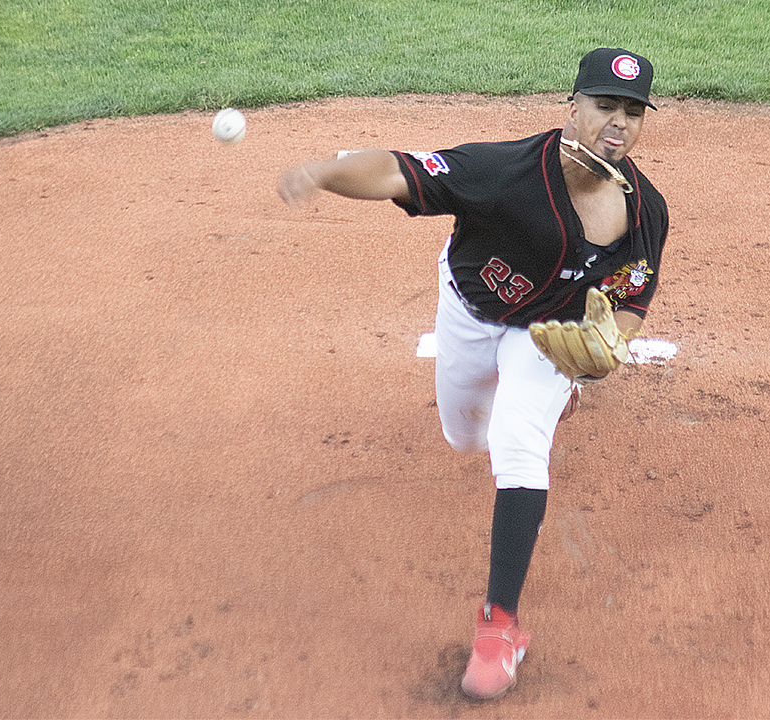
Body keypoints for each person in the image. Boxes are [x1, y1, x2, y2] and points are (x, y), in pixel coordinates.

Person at [277, 48, 668, 700]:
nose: (618, 122)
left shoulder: (644, 210)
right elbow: (399, 170)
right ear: (573, 106)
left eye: (632, 111)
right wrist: (322, 171)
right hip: (468, 310)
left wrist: (606, 353)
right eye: (605, 106)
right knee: (466, 438)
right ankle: (538, 401)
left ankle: (500, 627)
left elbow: (630, 298)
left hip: (546, 337)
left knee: (517, 444)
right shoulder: (504, 172)